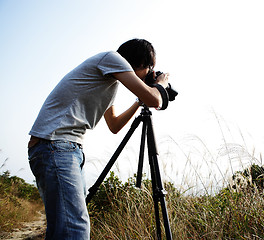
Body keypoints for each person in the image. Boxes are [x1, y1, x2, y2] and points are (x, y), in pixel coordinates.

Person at [27, 39, 169, 239]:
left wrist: (139, 101)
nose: (148, 73)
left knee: (65, 227)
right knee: (74, 229)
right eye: (148, 67)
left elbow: (114, 125)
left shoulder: (108, 83)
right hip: (56, 144)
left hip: (65, 147)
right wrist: (160, 84)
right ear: (141, 62)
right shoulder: (112, 58)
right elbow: (156, 100)